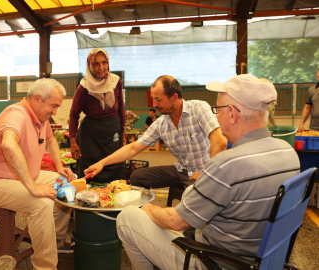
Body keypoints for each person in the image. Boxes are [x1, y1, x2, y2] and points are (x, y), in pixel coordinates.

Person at [116, 74, 300, 270]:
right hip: (263, 259)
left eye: (217, 110)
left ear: (232, 113)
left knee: (127, 217)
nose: (216, 117)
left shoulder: (225, 164)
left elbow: (175, 221)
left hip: (212, 261)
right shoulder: (288, 153)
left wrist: (146, 209)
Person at [0, 79, 76, 270]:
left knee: (65, 184)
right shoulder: (17, 114)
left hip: (21, 177)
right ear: (37, 99)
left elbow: (52, 141)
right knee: (41, 203)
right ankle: (45, 267)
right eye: (53, 106)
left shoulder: (40, 118)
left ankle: (57, 239)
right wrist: (32, 187)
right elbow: (9, 144)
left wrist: (59, 166)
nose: (55, 112)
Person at [85, 75, 227, 190]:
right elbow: (133, 147)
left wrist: (207, 173)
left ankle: (183, 219)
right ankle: (141, 217)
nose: (154, 104)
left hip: (203, 172)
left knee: (194, 197)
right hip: (182, 170)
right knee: (137, 177)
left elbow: (220, 142)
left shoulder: (199, 108)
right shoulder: (161, 123)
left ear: (174, 97)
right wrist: (102, 163)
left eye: (158, 99)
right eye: (153, 99)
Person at [69, 48, 126, 183]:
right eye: (96, 64)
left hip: (113, 132)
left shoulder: (116, 81)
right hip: (91, 137)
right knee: (90, 169)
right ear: (90, 65)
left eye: (104, 62)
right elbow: (73, 114)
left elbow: (121, 107)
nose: (101, 67)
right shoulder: (84, 87)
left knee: (116, 163)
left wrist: (123, 127)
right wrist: (73, 140)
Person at [298, 68, 319, 132]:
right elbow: (307, 108)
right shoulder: (311, 90)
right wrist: (301, 123)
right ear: (317, 77)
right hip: (314, 128)